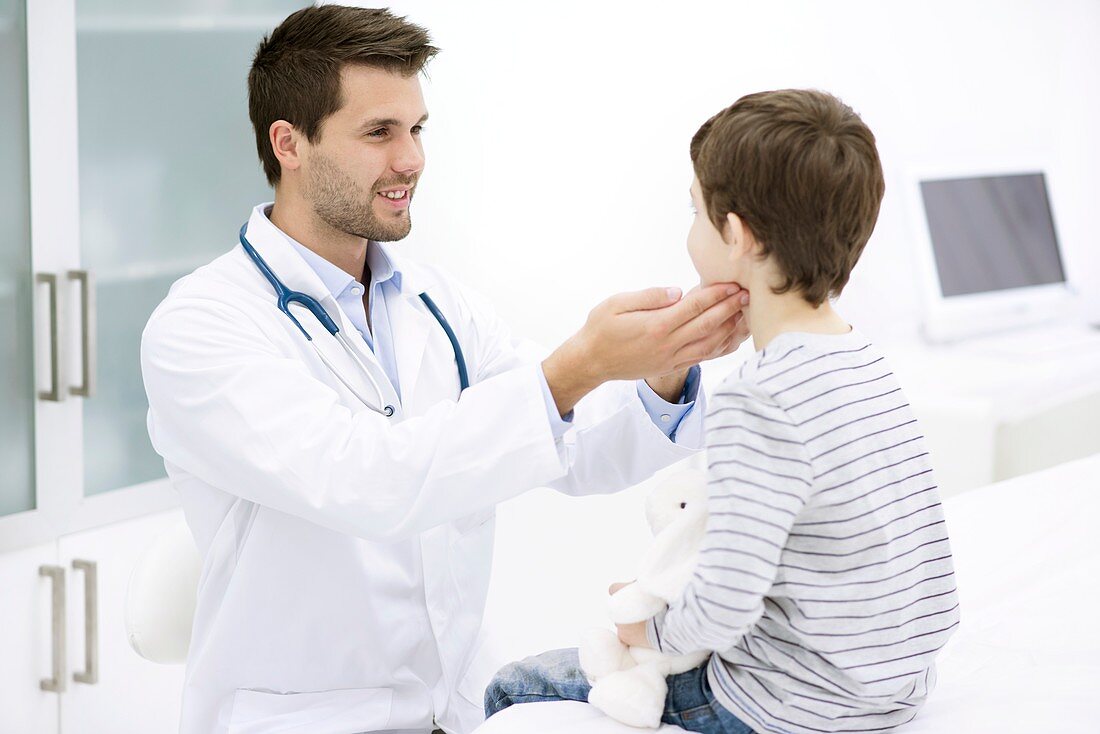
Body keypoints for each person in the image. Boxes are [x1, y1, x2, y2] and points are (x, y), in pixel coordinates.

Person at [139, 5, 751, 734]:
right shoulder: (202, 327)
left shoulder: (437, 304)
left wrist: (662, 370)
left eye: (417, 129)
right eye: (378, 133)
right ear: (289, 143)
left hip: (456, 711)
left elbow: (576, 448)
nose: (412, 160)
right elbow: (365, 480)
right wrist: (573, 369)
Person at [483, 89, 960, 733]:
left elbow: (725, 608)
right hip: (895, 690)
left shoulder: (758, 398)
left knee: (511, 690)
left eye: (695, 213)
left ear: (736, 234)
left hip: (783, 702)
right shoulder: (863, 361)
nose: (690, 231)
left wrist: (643, 623)